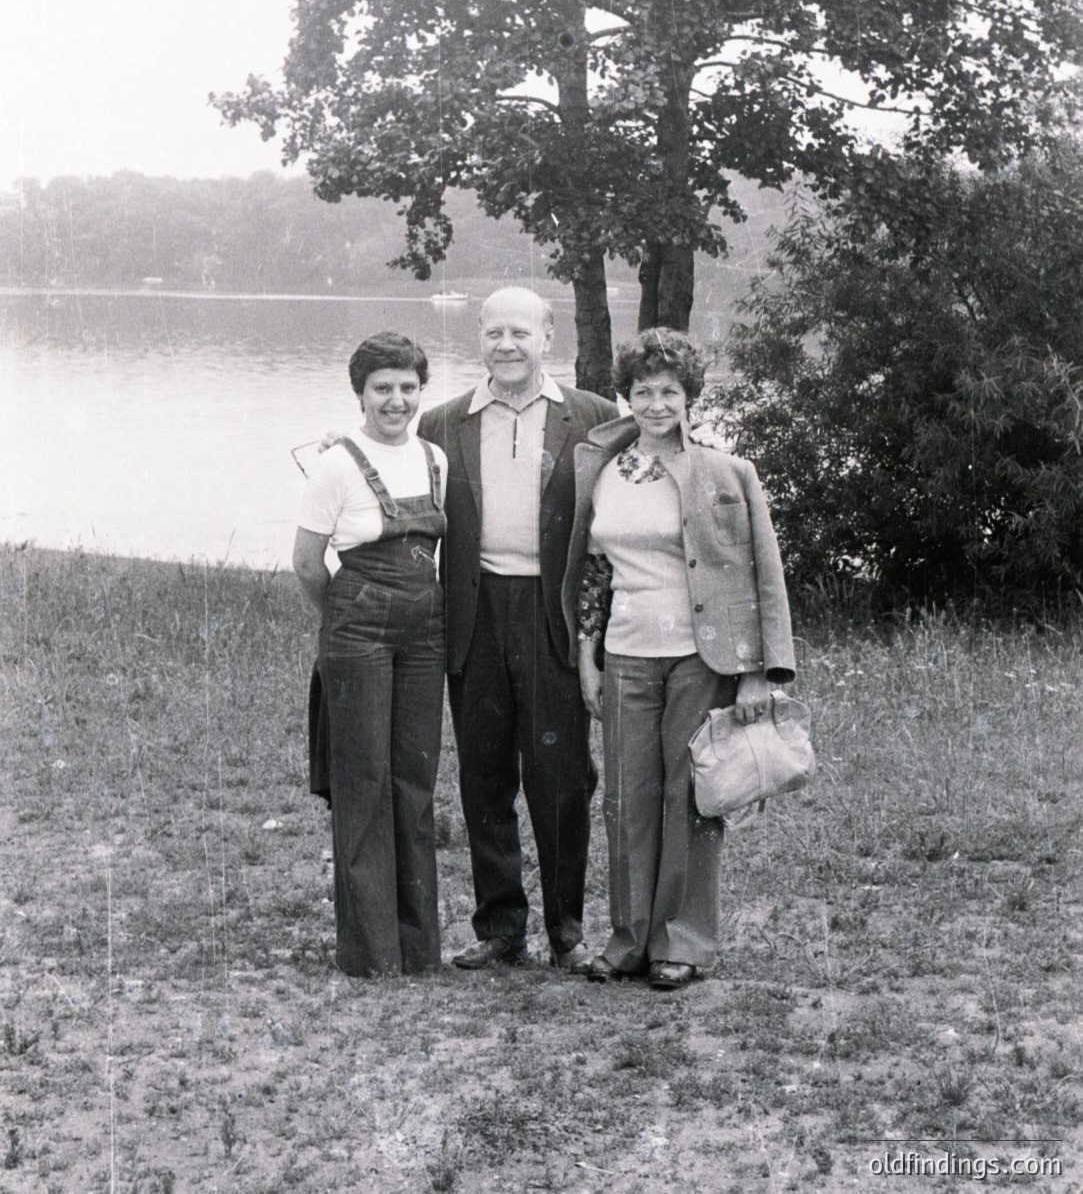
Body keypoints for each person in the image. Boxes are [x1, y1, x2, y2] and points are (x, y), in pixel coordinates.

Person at [561, 328, 796, 990]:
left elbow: (762, 576)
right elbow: (593, 573)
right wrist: (586, 654)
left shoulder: (727, 473)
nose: (656, 403)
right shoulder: (601, 467)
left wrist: (755, 671)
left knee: (689, 795)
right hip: (624, 653)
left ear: (689, 396)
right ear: (626, 395)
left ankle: (683, 942)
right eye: (642, 391)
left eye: (668, 391)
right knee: (626, 799)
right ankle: (630, 939)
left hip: (700, 657)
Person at [418, 286, 619, 972]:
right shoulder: (440, 422)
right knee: (483, 772)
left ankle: (566, 928)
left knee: (561, 774)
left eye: (520, 332)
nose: (506, 345)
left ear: (548, 336)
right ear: (477, 336)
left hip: (550, 611)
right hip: (473, 613)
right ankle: (501, 926)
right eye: (494, 332)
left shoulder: (593, 416)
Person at [293, 331, 448, 978]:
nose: (395, 399)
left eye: (407, 386)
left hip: (424, 632)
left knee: (413, 780)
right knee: (363, 781)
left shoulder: (436, 456)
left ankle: (416, 946)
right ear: (360, 392)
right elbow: (306, 564)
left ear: (420, 391)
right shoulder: (336, 462)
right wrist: (346, 622)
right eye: (382, 387)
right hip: (357, 630)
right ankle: (371, 950)